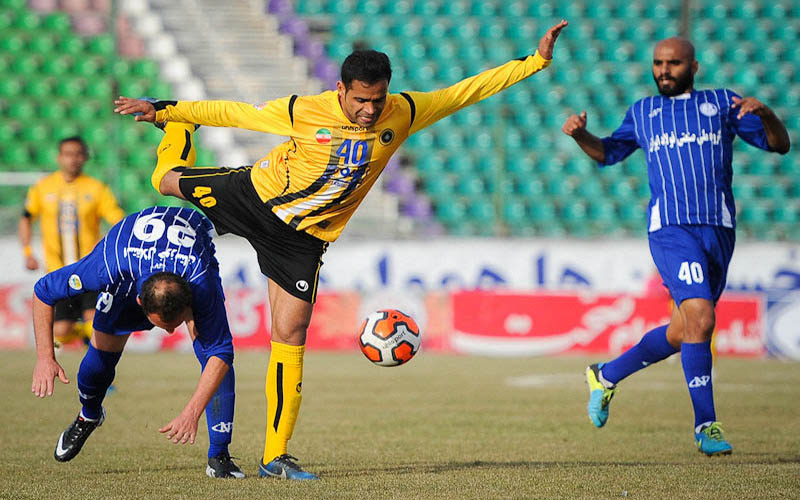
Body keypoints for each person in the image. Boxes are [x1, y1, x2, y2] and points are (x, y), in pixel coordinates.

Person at [111, 20, 568, 480]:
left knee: (291, 336)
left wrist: (535, 62)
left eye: (378, 99)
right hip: (253, 196)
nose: (371, 110)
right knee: (164, 181)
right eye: (361, 100)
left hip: (300, 241)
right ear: (341, 90)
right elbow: (237, 113)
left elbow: (464, 92)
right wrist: (167, 110)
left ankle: (275, 455)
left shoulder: (403, 112)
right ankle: (177, 132)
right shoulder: (305, 111)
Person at [562, 37, 790, 455]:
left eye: (673, 63)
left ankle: (606, 375)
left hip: (718, 228)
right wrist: (582, 136)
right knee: (700, 317)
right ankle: (707, 427)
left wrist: (768, 114)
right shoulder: (643, 112)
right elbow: (608, 153)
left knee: (688, 328)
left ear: (694, 66)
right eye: (658, 63)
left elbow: (779, 144)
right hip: (670, 229)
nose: (664, 70)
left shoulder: (723, 103)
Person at [30, 206, 245, 478]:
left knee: (213, 351)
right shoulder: (106, 266)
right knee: (97, 365)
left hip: (186, 252)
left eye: (175, 324)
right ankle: (89, 415)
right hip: (128, 270)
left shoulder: (199, 281)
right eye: (164, 326)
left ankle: (219, 456)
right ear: (140, 303)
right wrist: (45, 357)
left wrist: (192, 412)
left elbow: (222, 353)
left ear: (189, 302)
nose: (168, 333)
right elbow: (43, 292)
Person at [20, 136, 125, 347]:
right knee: (61, 331)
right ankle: (84, 334)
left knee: (94, 322)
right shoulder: (43, 188)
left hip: (89, 268)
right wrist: (28, 252)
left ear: (85, 157)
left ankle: (99, 369)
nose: (73, 159)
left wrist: (110, 243)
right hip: (58, 270)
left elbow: (118, 220)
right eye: (68, 154)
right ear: (59, 157)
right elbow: (26, 218)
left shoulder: (96, 189)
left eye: (78, 154)